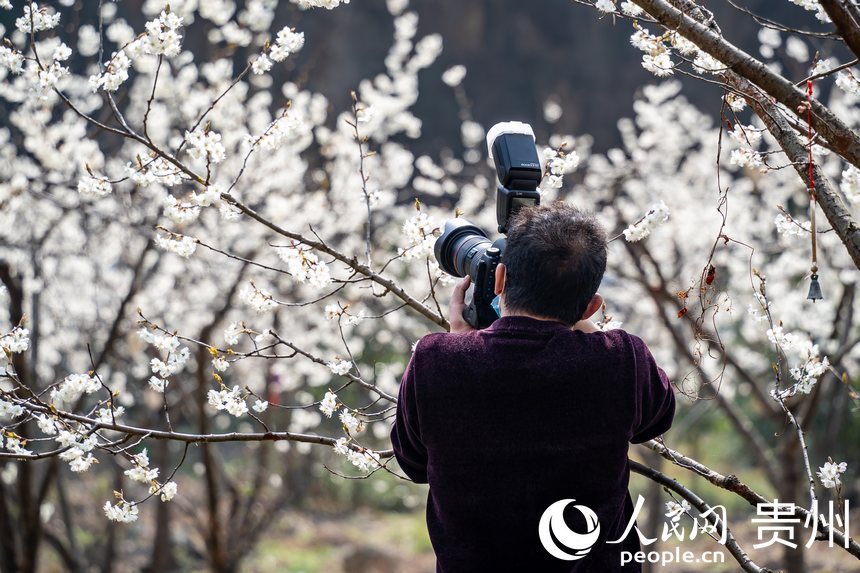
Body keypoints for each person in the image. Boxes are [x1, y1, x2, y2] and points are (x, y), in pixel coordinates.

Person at [390, 202, 675, 572]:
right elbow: (659, 417)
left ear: (499, 279)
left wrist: (458, 343)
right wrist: (584, 326)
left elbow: (413, 464)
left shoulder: (435, 359)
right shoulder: (622, 358)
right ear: (592, 307)